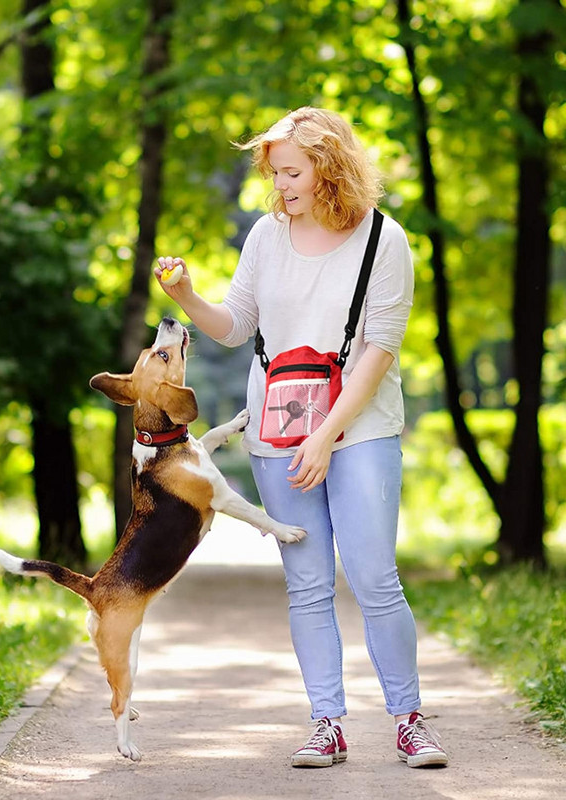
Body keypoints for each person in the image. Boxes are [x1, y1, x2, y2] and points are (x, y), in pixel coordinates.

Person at [155, 106, 448, 770]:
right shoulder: (265, 235)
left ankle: (408, 720)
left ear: (328, 167)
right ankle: (326, 722)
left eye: (291, 171)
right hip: (277, 428)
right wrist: (188, 297)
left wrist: (326, 437)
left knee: (374, 576)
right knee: (309, 584)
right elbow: (234, 327)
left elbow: (378, 352)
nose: (279, 185)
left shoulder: (384, 241)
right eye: (275, 172)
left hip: (361, 427)